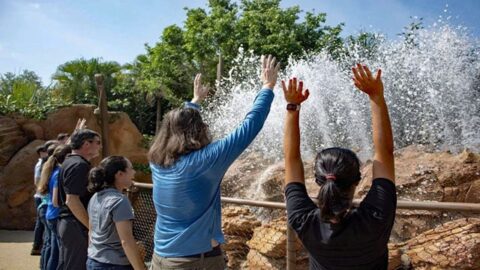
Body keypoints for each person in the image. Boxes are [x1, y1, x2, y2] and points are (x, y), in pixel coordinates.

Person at [148, 55, 280, 269]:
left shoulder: (157, 163)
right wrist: (267, 86)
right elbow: (250, 125)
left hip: (161, 258)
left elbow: (179, 126)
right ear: (199, 130)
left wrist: (194, 102)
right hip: (194, 261)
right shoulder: (205, 161)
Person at [282, 64, 396, 269]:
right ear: (357, 180)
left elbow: (291, 160)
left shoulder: (304, 222)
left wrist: (292, 107)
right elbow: (385, 152)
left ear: (318, 179)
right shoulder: (375, 219)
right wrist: (376, 96)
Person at [86, 156, 146, 270]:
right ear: (119, 174)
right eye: (131, 169)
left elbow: (91, 231)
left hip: (93, 260)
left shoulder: (95, 196)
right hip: (114, 264)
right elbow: (126, 241)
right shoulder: (119, 201)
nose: (134, 172)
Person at [57, 129, 102, 270]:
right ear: (86, 144)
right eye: (97, 143)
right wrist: (91, 227)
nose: (100, 146)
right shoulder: (79, 165)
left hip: (70, 224)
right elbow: (72, 200)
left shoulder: (70, 161)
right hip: (75, 225)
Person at [37, 144, 72, 270]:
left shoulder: (54, 170)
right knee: (57, 253)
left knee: (54, 249)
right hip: (56, 215)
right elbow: (56, 201)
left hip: (51, 214)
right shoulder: (58, 174)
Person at [32, 144, 48, 256]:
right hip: (41, 197)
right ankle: (37, 245)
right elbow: (37, 180)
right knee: (41, 222)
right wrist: (42, 190)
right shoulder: (40, 164)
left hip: (41, 196)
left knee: (41, 222)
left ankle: (37, 245)